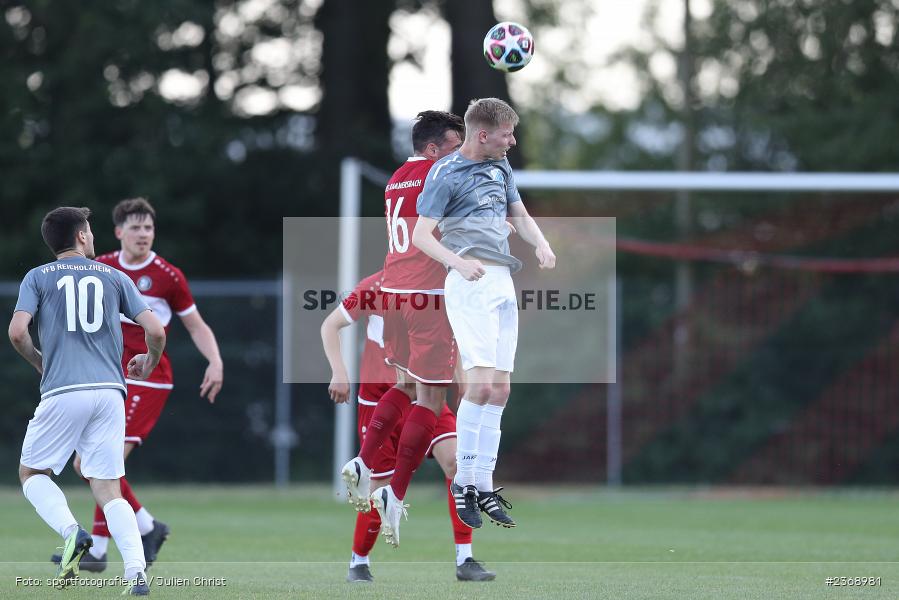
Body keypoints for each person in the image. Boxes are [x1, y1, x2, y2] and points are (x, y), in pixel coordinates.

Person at [53, 197, 223, 572]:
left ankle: (99, 547)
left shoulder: (168, 275)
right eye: (136, 228)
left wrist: (215, 360)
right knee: (95, 464)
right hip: (111, 377)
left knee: (96, 463)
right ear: (119, 233)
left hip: (149, 379)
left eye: (149, 228)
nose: (144, 234)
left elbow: (196, 325)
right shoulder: (104, 266)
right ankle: (145, 527)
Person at [412, 98, 556, 529]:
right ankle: (463, 485)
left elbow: (521, 215)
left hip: (501, 281)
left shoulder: (501, 167)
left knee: (501, 390)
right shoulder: (444, 173)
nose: (512, 141)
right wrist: (458, 262)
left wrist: (541, 243)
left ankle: (483, 484)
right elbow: (422, 236)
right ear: (482, 135)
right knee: (478, 387)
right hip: (469, 282)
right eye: (506, 134)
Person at [11, 206, 166, 595]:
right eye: (91, 231)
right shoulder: (113, 276)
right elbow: (156, 330)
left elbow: (17, 333)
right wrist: (149, 362)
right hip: (111, 393)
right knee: (109, 486)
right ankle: (135, 573)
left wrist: (40, 362)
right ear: (81, 236)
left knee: (32, 474)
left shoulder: (37, 277)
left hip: (64, 390)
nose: (93, 236)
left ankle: (71, 531)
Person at [340, 111, 467, 547]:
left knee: (408, 387)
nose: (459, 154)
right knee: (430, 398)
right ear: (432, 150)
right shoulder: (436, 176)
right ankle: (393, 495)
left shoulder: (397, 178)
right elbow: (437, 233)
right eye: (454, 146)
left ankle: (361, 462)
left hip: (395, 293)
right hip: (426, 295)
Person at [321, 271, 494, 582]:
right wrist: (338, 371)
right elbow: (330, 325)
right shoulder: (376, 286)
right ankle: (358, 562)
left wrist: (463, 384)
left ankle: (465, 559)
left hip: (430, 395)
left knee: (457, 462)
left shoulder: (441, 286)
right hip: (381, 401)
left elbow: (446, 339)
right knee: (378, 488)